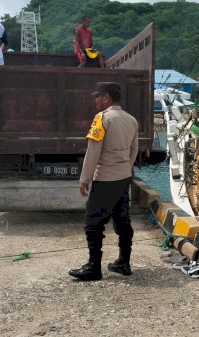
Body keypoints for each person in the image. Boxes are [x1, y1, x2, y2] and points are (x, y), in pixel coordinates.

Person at [69, 82, 139, 281]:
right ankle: (124, 262)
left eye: (97, 96)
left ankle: (93, 267)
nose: (95, 100)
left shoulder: (102, 118)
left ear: (107, 97)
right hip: (123, 177)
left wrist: (85, 178)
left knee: (93, 223)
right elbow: (134, 149)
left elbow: (93, 151)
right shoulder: (131, 120)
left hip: (106, 178)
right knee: (122, 220)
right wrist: (124, 167)